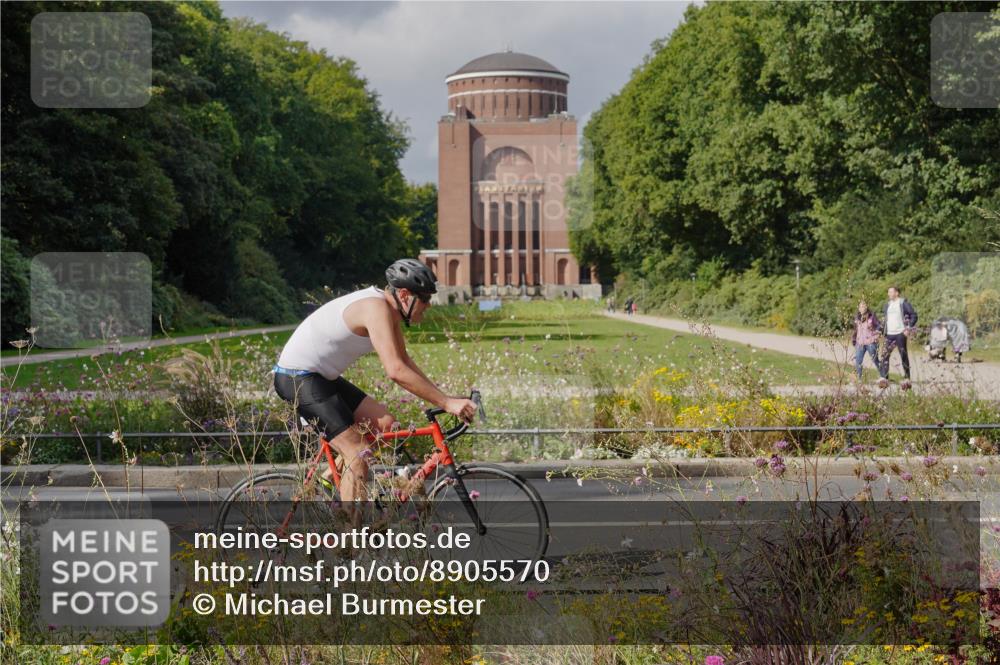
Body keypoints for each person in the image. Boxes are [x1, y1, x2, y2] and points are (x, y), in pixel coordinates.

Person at [272, 258, 478, 504]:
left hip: (320, 377)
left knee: (385, 425)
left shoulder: (389, 311)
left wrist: (448, 399)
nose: (428, 305)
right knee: (357, 452)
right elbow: (396, 370)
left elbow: (406, 362)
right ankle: (350, 538)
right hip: (296, 377)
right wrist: (445, 403)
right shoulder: (376, 309)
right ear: (404, 295)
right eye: (424, 299)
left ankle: (328, 479)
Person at [878, 286, 918, 387]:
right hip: (889, 334)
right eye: (888, 292)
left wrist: (908, 328)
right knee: (885, 355)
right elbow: (886, 320)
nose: (889, 294)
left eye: (891, 292)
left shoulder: (903, 303)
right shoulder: (887, 305)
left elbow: (914, 315)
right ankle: (884, 378)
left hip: (900, 333)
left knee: (903, 355)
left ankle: (907, 378)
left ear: (897, 293)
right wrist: (881, 331)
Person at [851, 300, 881, 380]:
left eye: (864, 306)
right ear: (858, 308)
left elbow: (879, 326)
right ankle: (859, 379)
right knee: (858, 361)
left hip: (871, 343)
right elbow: (855, 330)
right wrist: (854, 340)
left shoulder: (872, 316)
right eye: (860, 306)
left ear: (867, 307)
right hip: (860, 343)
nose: (862, 308)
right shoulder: (857, 318)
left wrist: (876, 335)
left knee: (875, 360)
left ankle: (883, 376)